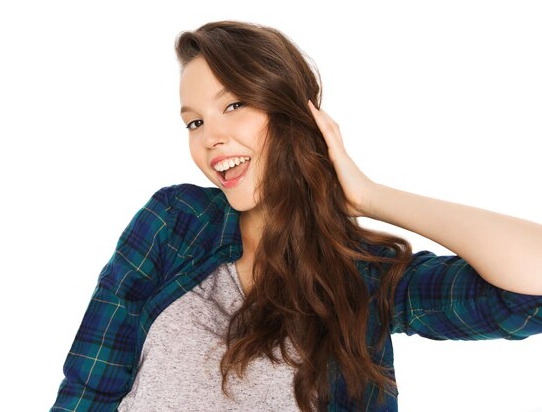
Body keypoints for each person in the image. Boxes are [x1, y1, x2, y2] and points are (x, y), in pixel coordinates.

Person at [50, 21, 542, 412]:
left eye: (234, 105)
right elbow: (90, 385)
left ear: (294, 113)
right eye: (194, 122)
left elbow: (531, 289)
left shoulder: (363, 276)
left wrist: (372, 197)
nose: (209, 137)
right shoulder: (174, 222)